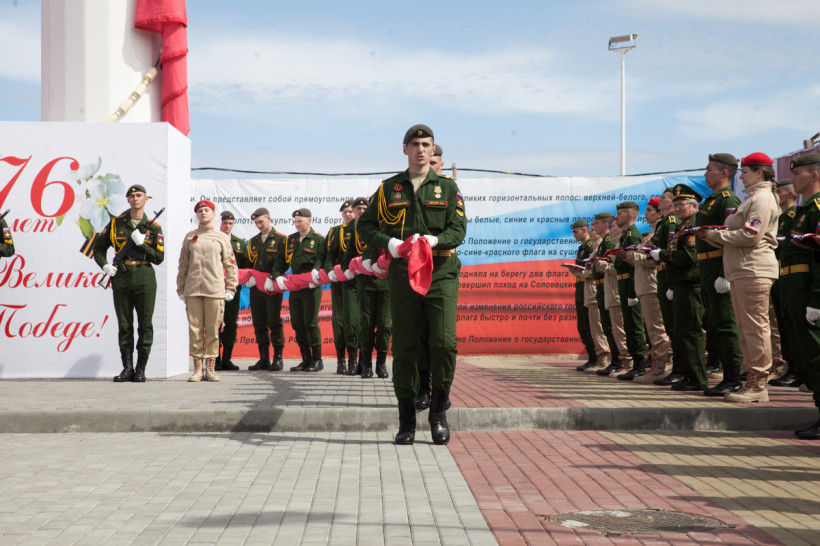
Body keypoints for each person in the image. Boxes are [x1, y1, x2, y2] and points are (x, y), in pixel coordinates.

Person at [357, 124, 466, 446]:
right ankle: (406, 420)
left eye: (426, 144)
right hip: (403, 272)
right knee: (405, 345)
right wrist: (389, 243)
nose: (421, 149)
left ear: (433, 150)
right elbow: (366, 226)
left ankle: (438, 413)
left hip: (440, 270)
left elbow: (459, 229)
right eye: (415, 144)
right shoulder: (388, 189)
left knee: (444, 342)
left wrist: (436, 240)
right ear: (405, 149)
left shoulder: (448, 188)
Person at [700, 153, 779, 402]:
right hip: (743, 270)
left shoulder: (762, 198)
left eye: (745, 172)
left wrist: (714, 235)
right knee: (746, 329)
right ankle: (751, 381)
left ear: (759, 172)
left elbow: (751, 236)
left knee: (755, 328)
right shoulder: (752, 199)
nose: (741, 176)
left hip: (753, 269)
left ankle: (758, 384)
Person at [93, 184, 164, 382]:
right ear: (127, 200)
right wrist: (105, 265)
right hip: (122, 279)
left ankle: (140, 369)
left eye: (139, 195)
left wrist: (142, 245)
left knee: (145, 325)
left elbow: (159, 258)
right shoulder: (116, 224)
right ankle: (127, 368)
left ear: (146, 199)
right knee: (125, 325)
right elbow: (98, 249)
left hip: (144, 277)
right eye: (132, 196)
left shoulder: (154, 227)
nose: (135, 199)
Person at [778, 153, 820, 439]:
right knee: (806, 356)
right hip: (793, 287)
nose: (793, 179)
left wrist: (816, 298)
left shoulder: (816, 208)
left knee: (816, 355)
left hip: (808, 290)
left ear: (814, 175)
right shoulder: (802, 211)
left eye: (798, 174)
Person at [649, 184, 707, 391]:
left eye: (683, 204)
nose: (678, 208)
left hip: (691, 284)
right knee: (682, 332)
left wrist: (663, 255)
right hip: (681, 283)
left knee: (690, 333)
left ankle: (696, 378)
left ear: (694, 206)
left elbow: (689, 256)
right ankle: (689, 376)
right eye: (676, 205)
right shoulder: (684, 226)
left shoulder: (692, 225)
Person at [697, 153, 744, 397]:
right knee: (716, 325)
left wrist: (724, 273)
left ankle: (734, 377)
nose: (706, 174)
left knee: (726, 324)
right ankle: (729, 375)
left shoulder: (728, 199)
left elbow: (730, 237)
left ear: (724, 172)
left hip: (718, 266)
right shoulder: (710, 200)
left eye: (709, 170)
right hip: (706, 267)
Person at [176, 201, 238, 382]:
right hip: (193, 289)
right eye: (200, 211)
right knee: (195, 329)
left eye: (207, 210)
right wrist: (181, 287)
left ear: (213, 214)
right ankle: (197, 369)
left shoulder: (221, 237)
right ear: (196, 215)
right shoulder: (190, 237)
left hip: (215, 290)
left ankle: (210, 368)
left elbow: (230, 264)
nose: (203, 213)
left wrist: (231, 287)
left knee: (213, 330)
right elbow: (183, 264)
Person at [342, 197, 391, 378]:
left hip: (385, 283)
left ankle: (381, 363)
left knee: (384, 325)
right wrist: (348, 269)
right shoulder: (359, 229)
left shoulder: (388, 227)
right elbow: (349, 252)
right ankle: (366, 364)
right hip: (365, 282)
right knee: (366, 324)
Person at [626, 198, 672, 384]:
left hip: (652, 285)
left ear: (660, 213)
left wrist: (632, 256)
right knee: (653, 329)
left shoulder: (660, 232)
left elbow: (654, 258)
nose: (645, 214)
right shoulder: (651, 234)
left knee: (657, 328)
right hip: (645, 286)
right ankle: (658, 364)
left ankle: (660, 366)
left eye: (650, 210)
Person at [279, 208, 325, 372]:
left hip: (311, 286)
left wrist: (316, 272)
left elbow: (321, 259)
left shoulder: (318, 239)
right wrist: (276, 275)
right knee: (297, 323)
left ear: (309, 221)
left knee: (310, 323)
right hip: (295, 286)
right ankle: (306, 359)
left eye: (300, 221)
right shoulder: (291, 240)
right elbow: (281, 260)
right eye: (295, 221)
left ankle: (317, 360)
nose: (297, 224)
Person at [245, 208, 288, 371]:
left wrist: (273, 276)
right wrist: (248, 277)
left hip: (272, 286)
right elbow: (249, 263)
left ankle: (278, 358)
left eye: (261, 221)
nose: (258, 225)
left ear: (269, 219)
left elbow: (284, 262)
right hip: (256, 287)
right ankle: (264, 359)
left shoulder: (281, 239)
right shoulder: (253, 241)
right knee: (259, 322)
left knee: (274, 321)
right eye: (256, 223)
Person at [769, 179, 802, 388]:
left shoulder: (793, 216)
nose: (776, 195)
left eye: (779, 192)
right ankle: (791, 367)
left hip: (789, 273)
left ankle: (797, 370)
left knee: (792, 325)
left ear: (791, 194)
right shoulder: (779, 218)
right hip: (779, 274)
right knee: (783, 325)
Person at [651, 189, 683, 386]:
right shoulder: (664, 222)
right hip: (663, 275)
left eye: (664, 197)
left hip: (669, 275)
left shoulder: (671, 222)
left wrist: (670, 283)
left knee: (675, 327)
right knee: (670, 326)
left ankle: (679, 369)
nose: (660, 200)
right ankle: (677, 369)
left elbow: (671, 253)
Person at [613, 201, 648, 379]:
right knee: (628, 325)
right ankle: (635, 363)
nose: (616, 217)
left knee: (634, 326)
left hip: (630, 284)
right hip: (623, 283)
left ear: (628, 215)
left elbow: (634, 266)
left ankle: (639, 365)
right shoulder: (626, 234)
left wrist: (633, 293)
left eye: (619, 214)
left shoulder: (633, 235)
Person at [595, 216, 629, 377]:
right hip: (610, 288)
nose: (613, 229)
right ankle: (618, 361)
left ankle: (625, 362)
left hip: (616, 289)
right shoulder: (612, 243)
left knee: (619, 328)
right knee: (613, 329)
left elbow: (621, 267)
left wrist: (602, 265)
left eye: (614, 226)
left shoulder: (612, 243)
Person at [323, 200, 355, 374]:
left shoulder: (363, 229)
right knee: (339, 321)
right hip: (338, 280)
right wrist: (329, 271)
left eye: (350, 211)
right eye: (345, 212)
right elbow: (327, 254)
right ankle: (341, 360)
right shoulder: (335, 232)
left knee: (354, 320)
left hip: (357, 280)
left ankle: (355, 360)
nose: (348, 214)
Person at [216, 210, 249, 372]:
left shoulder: (240, 243)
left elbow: (244, 266)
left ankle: (227, 359)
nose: (227, 226)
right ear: (220, 223)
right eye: (225, 223)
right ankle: (215, 358)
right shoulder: (214, 239)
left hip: (232, 289)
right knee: (215, 323)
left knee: (230, 323)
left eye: (230, 223)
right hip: (215, 288)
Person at [588, 212, 621, 373]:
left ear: (605, 225)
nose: (594, 227)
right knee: (608, 326)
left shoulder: (608, 242)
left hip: (609, 284)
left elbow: (614, 266)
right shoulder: (603, 243)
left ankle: (618, 361)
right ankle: (614, 361)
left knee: (612, 325)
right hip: (602, 285)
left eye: (597, 224)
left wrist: (599, 264)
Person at [570, 219, 598, 371]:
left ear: (584, 230)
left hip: (588, 287)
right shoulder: (582, 247)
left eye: (576, 232)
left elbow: (591, 270)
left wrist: (579, 272)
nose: (574, 235)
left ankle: (595, 358)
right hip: (580, 287)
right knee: (582, 325)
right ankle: (591, 357)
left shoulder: (590, 246)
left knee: (589, 324)